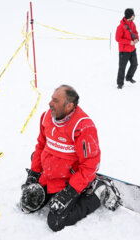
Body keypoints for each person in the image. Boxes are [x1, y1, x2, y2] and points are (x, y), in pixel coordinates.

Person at [20, 85, 121, 232]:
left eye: (55, 101)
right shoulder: (46, 117)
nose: (50, 103)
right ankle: (51, 190)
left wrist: (69, 192)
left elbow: (90, 165)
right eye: (51, 98)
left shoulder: (83, 127)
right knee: (28, 204)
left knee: (55, 222)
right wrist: (34, 175)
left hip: (68, 182)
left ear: (69, 106)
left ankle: (98, 192)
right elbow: (41, 145)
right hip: (49, 175)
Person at [116, 8, 139, 89]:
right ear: (130, 16)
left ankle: (129, 77)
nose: (134, 16)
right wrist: (129, 42)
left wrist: (136, 39)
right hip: (124, 51)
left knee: (135, 64)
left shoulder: (133, 24)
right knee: (122, 67)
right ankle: (120, 83)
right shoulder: (120, 27)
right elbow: (118, 39)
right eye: (133, 14)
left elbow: (136, 33)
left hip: (132, 49)